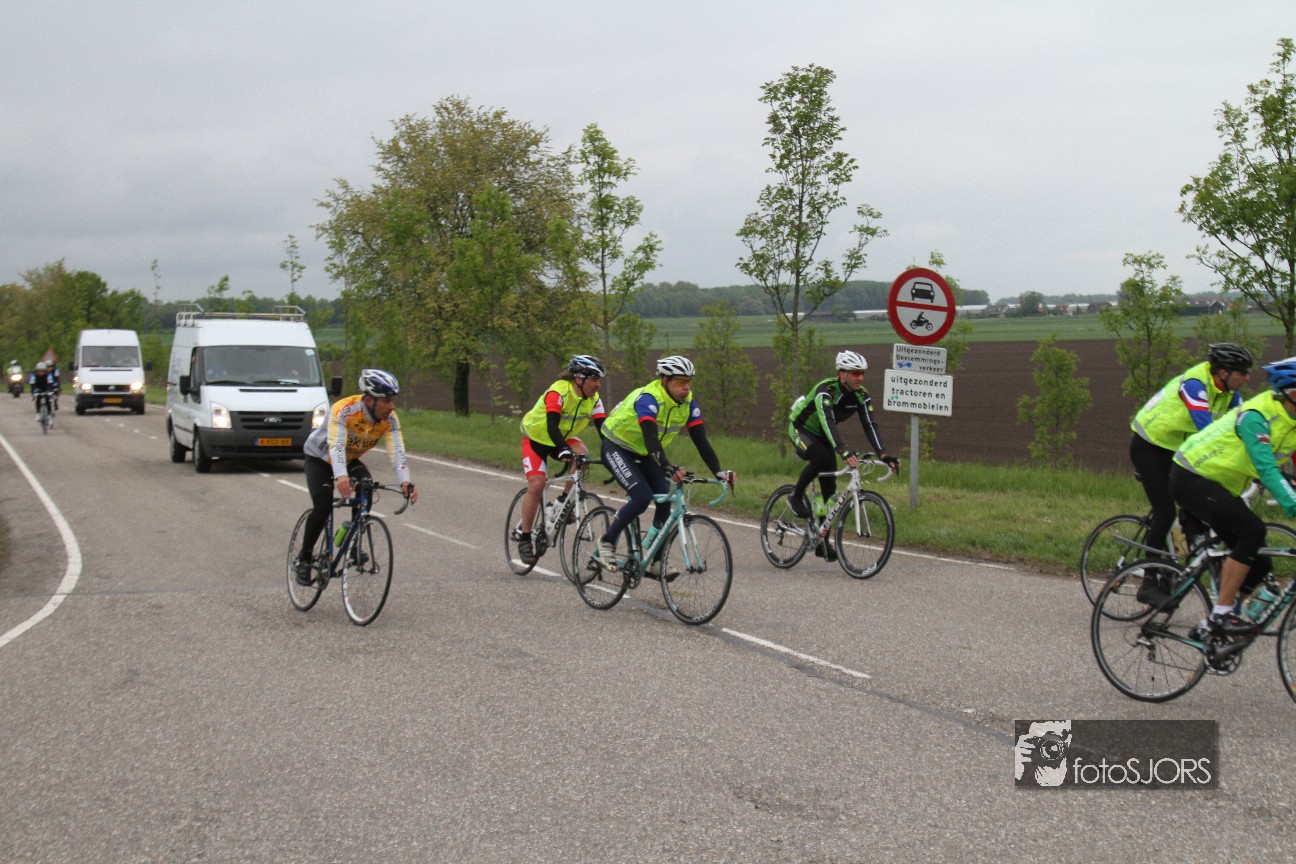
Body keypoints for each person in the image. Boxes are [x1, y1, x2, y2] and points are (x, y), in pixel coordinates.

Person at [1169, 357, 1296, 635]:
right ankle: (1219, 616)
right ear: (1292, 393)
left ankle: (1219, 628)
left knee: (1260, 563)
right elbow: (1267, 469)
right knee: (1252, 529)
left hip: (1222, 484)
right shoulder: (1256, 417)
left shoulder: (1292, 420)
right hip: (1192, 475)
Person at [595, 355, 735, 577]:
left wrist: (718, 471)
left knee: (665, 496)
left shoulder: (688, 402)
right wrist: (667, 466)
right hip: (617, 446)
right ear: (664, 380)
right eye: (680, 382)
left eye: (688, 382)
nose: (686, 387)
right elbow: (651, 438)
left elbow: (701, 440)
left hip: (645, 452)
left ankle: (656, 560)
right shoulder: (649, 398)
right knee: (641, 496)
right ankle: (607, 542)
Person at [1129, 343, 1252, 577]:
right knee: (1165, 512)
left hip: (1177, 450)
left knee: (1195, 500)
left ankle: (1177, 563)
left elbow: (1244, 429)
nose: (1248, 377)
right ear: (1223, 373)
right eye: (1243, 372)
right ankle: (1149, 576)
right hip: (1150, 446)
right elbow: (1207, 433)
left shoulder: (1230, 394)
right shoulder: (1195, 384)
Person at [294, 369, 418, 586]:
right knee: (323, 505)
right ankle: (303, 559)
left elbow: (397, 451)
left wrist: (405, 481)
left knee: (366, 486)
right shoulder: (344, 410)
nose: (392, 406)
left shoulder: (390, 420)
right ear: (369, 400)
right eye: (387, 400)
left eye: (393, 400)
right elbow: (336, 445)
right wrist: (341, 476)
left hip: (349, 459)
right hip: (320, 458)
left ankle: (353, 543)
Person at [786, 350, 900, 562]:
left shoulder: (861, 395)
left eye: (862, 373)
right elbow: (827, 422)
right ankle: (795, 497)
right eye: (856, 373)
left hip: (823, 435)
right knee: (820, 459)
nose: (860, 378)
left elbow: (870, 425)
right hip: (801, 429)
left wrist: (883, 454)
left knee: (829, 490)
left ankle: (823, 541)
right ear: (842, 374)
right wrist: (842, 450)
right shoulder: (825, 391)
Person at [514, 354, 608, 566]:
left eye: (599, 380)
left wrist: (613, 454)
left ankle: (561, 503)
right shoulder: (558, 392)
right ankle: (525, 538)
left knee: (582, 454)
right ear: (579, 379)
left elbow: (604, 430)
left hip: (562, 438)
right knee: (537, 484)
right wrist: (564, 449)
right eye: (594, 379)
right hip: (536, 439)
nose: (598, 385)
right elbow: (551, 426)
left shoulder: (594, 399)